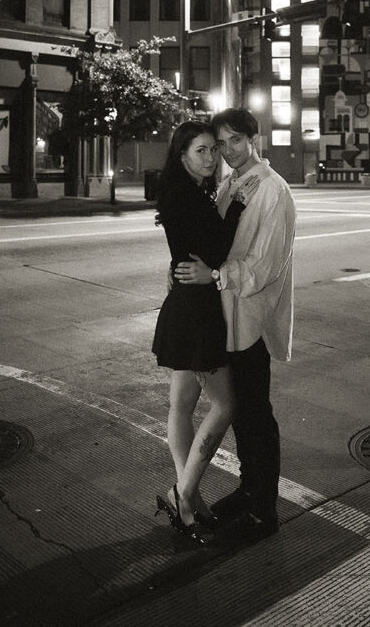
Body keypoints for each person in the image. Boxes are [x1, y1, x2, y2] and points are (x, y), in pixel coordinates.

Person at [175, 108, 296, 542]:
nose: (227, 152)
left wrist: (213, 275)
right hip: (227, 317)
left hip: (251, 319)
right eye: (221, 144)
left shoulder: (272, 190)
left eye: (236, 141)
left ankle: (264, 511)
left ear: (254, 139)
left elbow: (264, 265)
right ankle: (249, 492)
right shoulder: (231, 184)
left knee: (256, 416)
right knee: (242, 414)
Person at [152, 120, 259, 545]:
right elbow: (215, 251)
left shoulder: (186, 191)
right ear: (182, 154)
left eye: (214, 149)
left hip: (187, 304)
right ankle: (183, 493)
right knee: (225, 405)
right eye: (202, 150)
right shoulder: (186, 194)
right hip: (196, 312)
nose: (212, 157)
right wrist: (235, 210)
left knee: (181, 404)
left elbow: (191, 247)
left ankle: (188, 498)